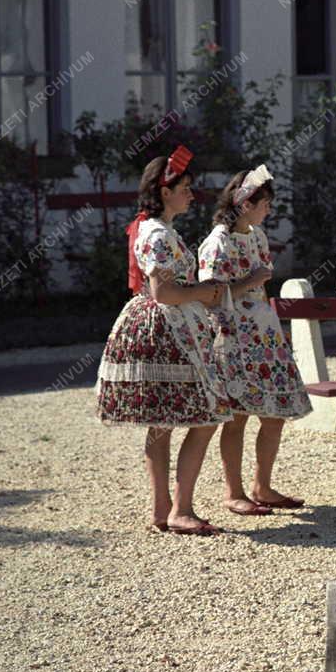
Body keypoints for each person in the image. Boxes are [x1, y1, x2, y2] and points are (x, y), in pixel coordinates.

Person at [96, 146, 230, 536]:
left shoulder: (159, 229)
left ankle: (162, 507)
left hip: (164, 327)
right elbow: (163, 293)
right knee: (206, 416)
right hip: (166, 329)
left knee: (163, 422)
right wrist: (204, 293)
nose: (191, 193)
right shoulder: (156, 233)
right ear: (165, 191)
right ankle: (180, 508)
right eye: (185, 186)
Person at [199, 164, 312, 517]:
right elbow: (208, 294)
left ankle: (262, 485)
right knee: (237, 417)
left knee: (274, 413)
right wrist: (251, 281)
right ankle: (233, 491)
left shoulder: (257, 236)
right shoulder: (217, 242)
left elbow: (258, 285)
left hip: (262, 332)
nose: (269, 209)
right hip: (231, 336)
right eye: (264, 203)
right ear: (245, 203)